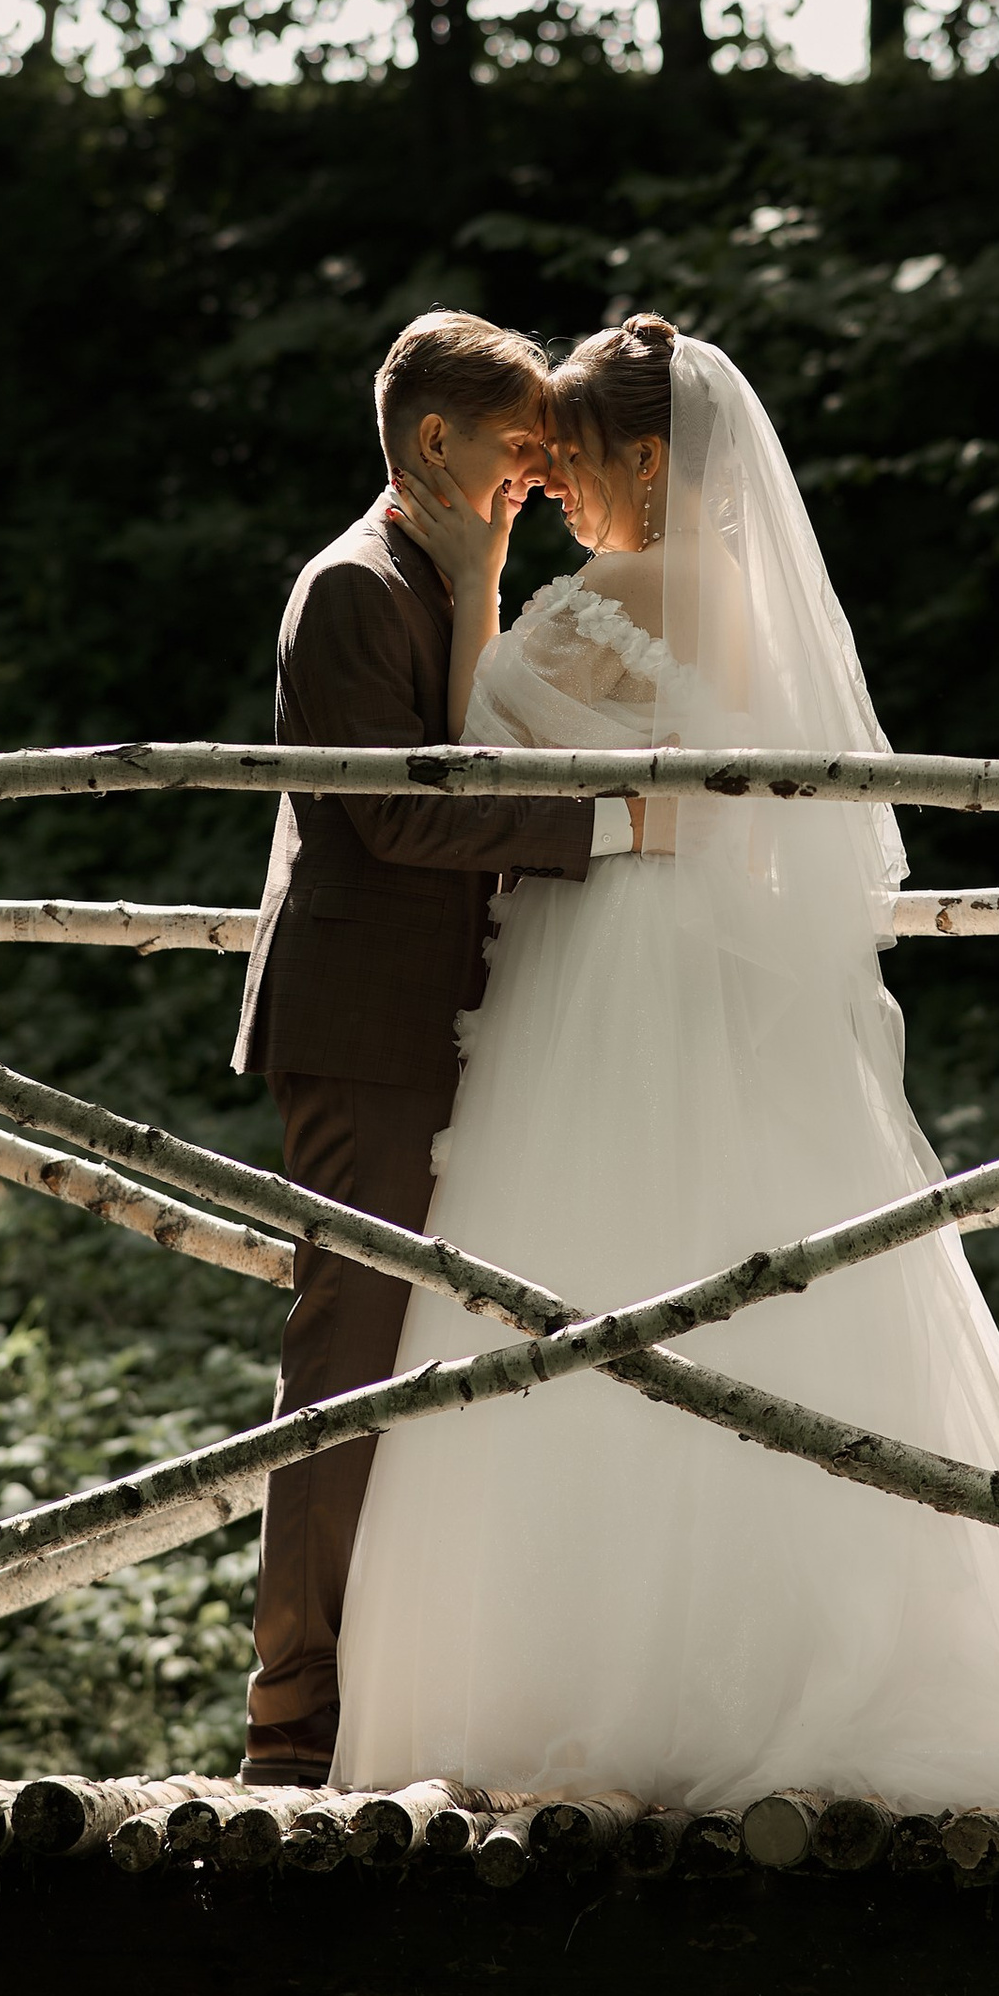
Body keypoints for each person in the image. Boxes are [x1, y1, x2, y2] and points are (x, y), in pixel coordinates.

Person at [332, 313, 999, 1823]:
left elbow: (475, 745)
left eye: (577, 460)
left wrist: (479, 579)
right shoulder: (745, 603)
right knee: (751, 1296)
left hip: (607, 977)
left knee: (575, 1285)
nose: (553, 488)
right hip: (723, 978)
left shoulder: (597, 603)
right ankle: (762, 1659)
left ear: (649, 459)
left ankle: (586, 1692)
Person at [233, 307, 640, 1786]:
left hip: (445, 1018)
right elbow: (395, 815)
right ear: (432, 443)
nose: (538, 470)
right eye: (519, 447)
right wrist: (608, 825)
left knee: (434, 1350)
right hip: (366, 1030)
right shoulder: (354, 589)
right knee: (345, 1358)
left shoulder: (446, 565)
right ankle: (292, 1715)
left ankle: (402, 1684)